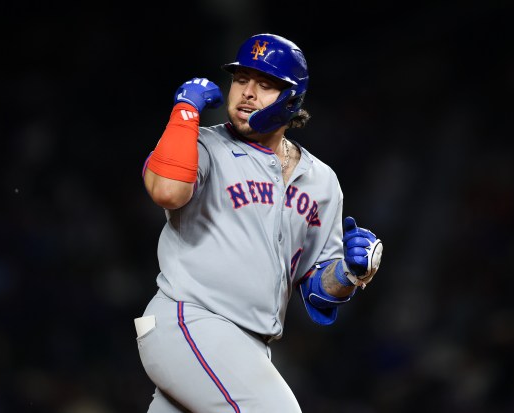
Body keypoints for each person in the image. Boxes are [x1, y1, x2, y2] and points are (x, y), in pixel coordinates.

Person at [135, 33, 383, 412]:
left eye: (265, 84)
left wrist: (350, 273)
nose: (247, 93)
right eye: (241, 79)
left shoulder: (322, 181)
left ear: (293, 98)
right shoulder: (202, 146)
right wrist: (185, 110)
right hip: (191, 320)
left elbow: (317, 289)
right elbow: (167, 191)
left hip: (250, 347)